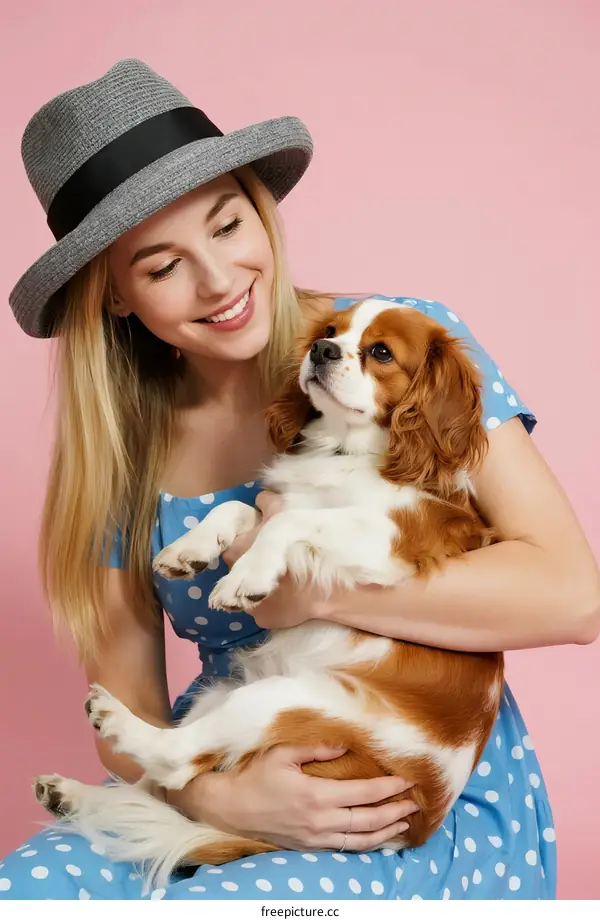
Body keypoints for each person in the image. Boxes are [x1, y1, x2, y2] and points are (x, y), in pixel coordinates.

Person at [0, 58, 598, 902]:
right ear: (116, 297)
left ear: (262, 211)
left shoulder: (407, 342)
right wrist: (216, 797)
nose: (218, 281)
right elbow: (125, 707)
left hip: (397, 783)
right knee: (24, 894)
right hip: (228, 759)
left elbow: (574, 598)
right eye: (163, 267)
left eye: (227, 225)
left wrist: (318, 592)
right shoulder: (119, 457)